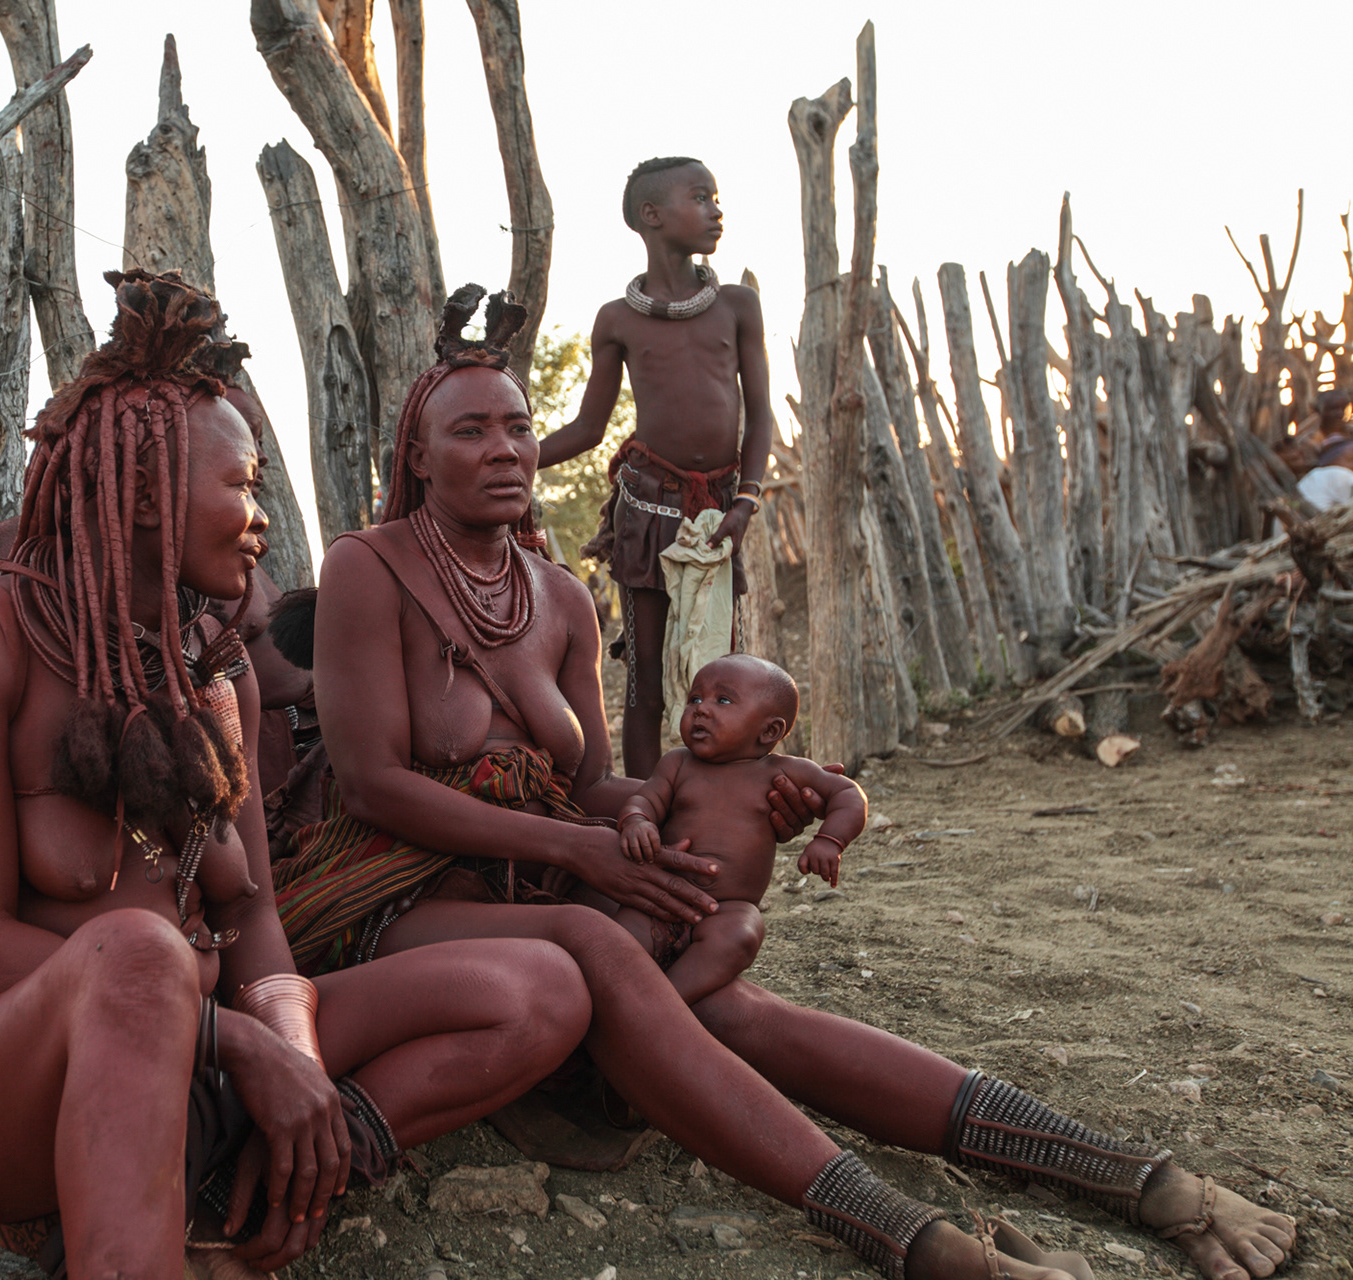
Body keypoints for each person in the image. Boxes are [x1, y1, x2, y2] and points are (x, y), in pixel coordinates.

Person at [276, 283, 1298, 1280]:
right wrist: (580, 849)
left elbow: (586, 783)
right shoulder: (371, 566)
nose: (503, 449)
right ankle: (917, 1241)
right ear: (416, 453)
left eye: (516, 426)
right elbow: (372, 786)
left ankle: (1137, 1176)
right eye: (468, 432)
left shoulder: (559, 596)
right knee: (606, 941)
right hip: (394, 893)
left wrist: (698, 809)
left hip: (532, 890)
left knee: (722, 1005)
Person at [0, 272, 592, 1279]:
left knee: (542, 986)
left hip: (199, 1055)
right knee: (139, 954)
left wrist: (289, 1064)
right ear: (150, 492)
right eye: (243, 487)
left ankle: (262, 1179)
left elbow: (251, 920)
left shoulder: (212, 666)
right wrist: (233, 1046)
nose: (260, 518)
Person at [536, 156, 771, 777]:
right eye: (702, 197)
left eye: (716, 197)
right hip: (647, 510)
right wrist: (512, 458)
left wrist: (745, 503)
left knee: (720, 675)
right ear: (652, 216)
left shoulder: (738, 306)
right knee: (644, 678)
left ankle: (717, 807)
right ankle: (643, 805)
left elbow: (761, 418)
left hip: (719, 514)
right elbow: (590, 428)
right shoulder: (618, 319)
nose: (717, 209)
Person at [605, 653, 864, 1002]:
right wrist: (636, 821)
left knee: (742, 933)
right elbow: (645, 800)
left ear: (770, 730)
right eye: (695, 698)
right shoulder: (677, 764)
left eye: (722, 700)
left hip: (725, 908)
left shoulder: (783, 771)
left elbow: (848, 794)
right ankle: (620, 998)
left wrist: (830, 840)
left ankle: (669, 1001)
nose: (701, 708)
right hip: (661, 896)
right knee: (616, 938)